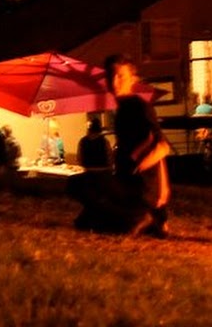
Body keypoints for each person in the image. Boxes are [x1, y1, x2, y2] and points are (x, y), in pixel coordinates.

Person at [73, 53, 171, 238]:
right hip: (127, 181)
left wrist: (162, 190)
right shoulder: (121, 109)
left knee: (79, 184)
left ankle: (143, 217)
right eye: (111, 76)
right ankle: (141, 220)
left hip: (140, 187)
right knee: (86, 219)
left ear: (133, 79)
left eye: (121, 76)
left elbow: (161, 147)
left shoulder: (139, 107)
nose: (115, 82)